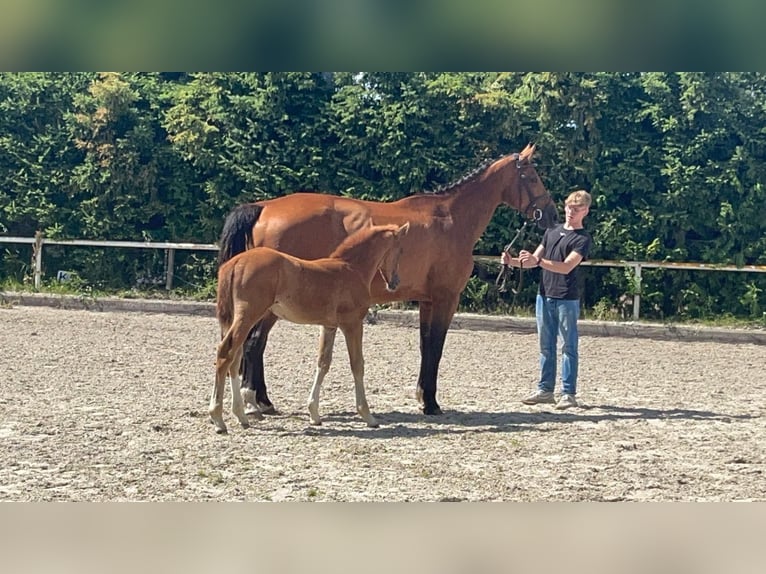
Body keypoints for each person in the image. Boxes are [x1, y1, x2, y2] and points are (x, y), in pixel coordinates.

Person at [501, 189, 592, 410]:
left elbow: (567, 266)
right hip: (544, 295)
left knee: (568, 346)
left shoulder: (582, 239)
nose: (571, 211)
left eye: (577, 208)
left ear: (585, 211)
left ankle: (568, 392)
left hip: (566, 298)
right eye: (570, 207)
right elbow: (533, 260)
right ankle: (545, 390)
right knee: (546, 346)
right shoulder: (551, 231)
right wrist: (511, 262)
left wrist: (538, 261)